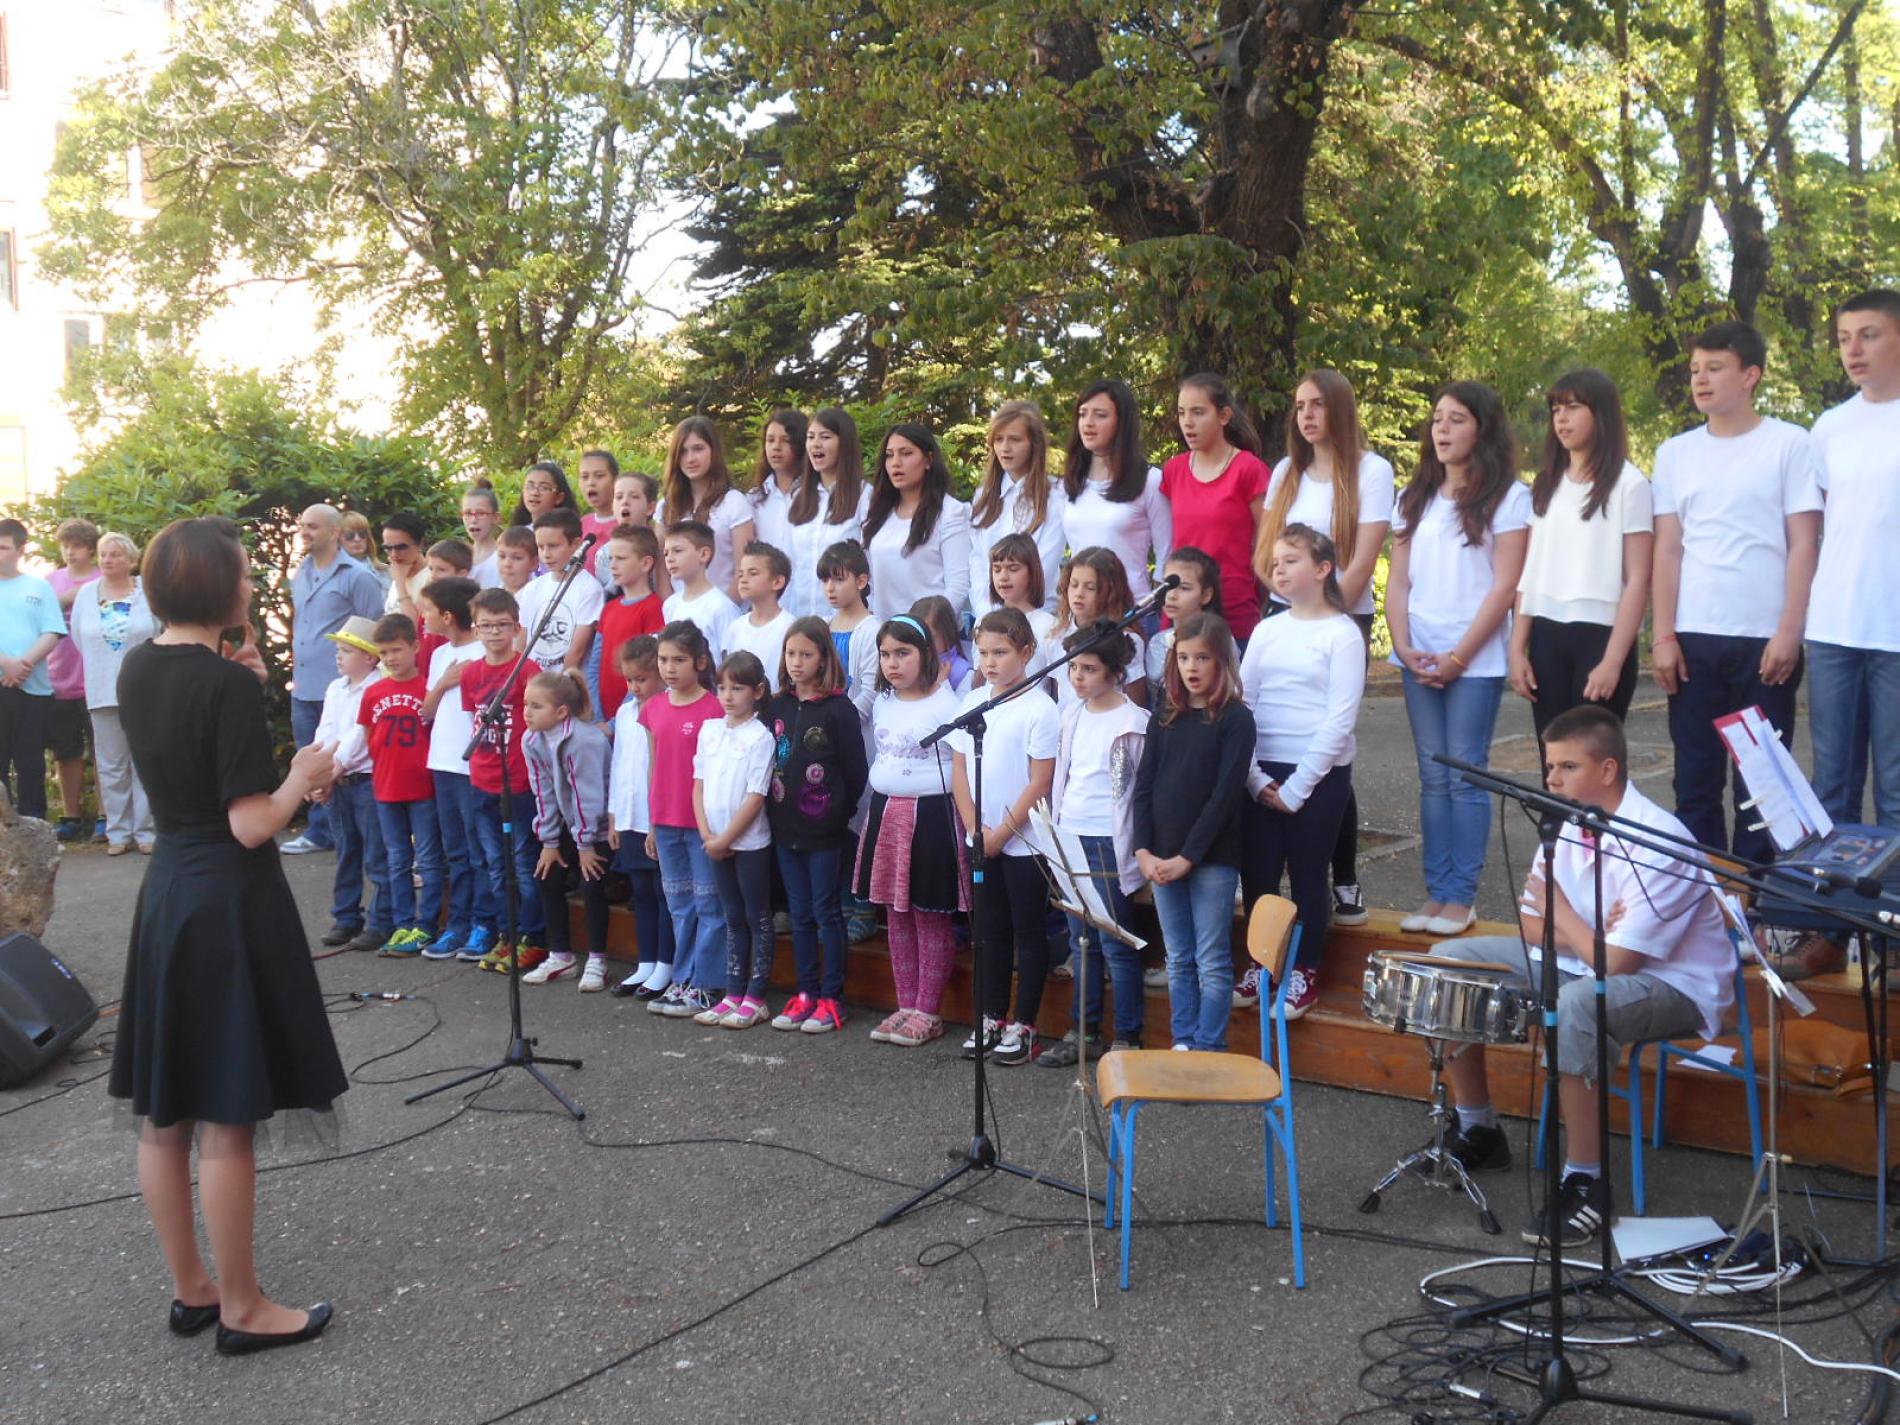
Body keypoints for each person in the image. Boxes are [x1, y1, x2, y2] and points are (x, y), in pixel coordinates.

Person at [109, 515, 343, 1356]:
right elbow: (252, 823)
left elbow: (186, 750)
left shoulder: (138, 664)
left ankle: (194, 1289)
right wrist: (302, 775)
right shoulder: (228, 687)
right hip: (226, 900)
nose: (251, 584)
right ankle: (244, 1307)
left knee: (166, 1112)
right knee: (226, 1111)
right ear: (214, 586)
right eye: (242, 574)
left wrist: (234, 676)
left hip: (170, 890)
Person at [1428, 706, 1735, 1248]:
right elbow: (1531, 923)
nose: (1551, 779)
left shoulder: (1659, 839)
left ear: (1608, 770)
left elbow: (1616, 965)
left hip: (1676, 983)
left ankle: (1586, 1181)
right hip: (1581, 961)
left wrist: (1565, 915)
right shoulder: (1567, 820)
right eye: (1550, 766)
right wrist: (1587, 933)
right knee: (1449, 963)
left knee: (1577, 1005)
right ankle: (1479, 1128)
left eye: (1567, 767)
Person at [1651, 321, 1823, 867]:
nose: (1700, 379)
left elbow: (1804, 543)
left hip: (1763, 642)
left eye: (1715, 368)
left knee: (1764, 786)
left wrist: (1790, 632)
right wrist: (1663, 636)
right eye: (1694, 370)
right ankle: (1705, 897)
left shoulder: (1790, 444)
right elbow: (1668, 550)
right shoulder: (1675, 453)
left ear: (1750, 376)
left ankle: (1756, 898)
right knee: (1694, 779)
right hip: (1693, 638)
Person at [1385, 383, 1531, 938]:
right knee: (1432, 776)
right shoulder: (1413, 496)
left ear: (1483, 428)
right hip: (1418, 656)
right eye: (1438, 419)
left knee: (1464, 776)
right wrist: (1402, 644)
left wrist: (1459, 656)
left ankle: (1461, 897)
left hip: (1475, 661)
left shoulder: (1510, 498)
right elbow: (1399, 582)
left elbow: (1505, 586)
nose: (1442, 429)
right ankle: (1437, 892)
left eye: (1457, 419)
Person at [1258, 369, 1396, 931]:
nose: (1307, 415)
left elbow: (1361, 561)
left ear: (1339, 409)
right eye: (1299, 406)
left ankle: (1343, 876)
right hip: (1283, 613)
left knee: (1332, 745)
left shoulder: (1372, 470)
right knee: (1279, 736)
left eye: (1317, 404)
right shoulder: (1286, 471)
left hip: (1342, 615)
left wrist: (1325, 612)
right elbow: (1266, 551)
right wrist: (1290, 600)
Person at [1238, 525, 1367, 1021]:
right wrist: (1254, 777)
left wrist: (1297, 788)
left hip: (1318, 774)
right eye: (1276, 562)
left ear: (1322, 568)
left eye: (1291, 560)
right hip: (1262, 769)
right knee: (1259, 874)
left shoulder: (1342, 634)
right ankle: (1261, 962)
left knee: (1309, 874)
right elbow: (1243, 703)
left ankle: (1304, 970)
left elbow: (1340, 719)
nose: (1279, 569)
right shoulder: (1267, 630)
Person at [1510, 368, 1654, 740]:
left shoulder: (1630, 484)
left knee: (1592, 756)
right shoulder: (1547, 483)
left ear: (1601, 413)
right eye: (1556, 409)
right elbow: (1530, 571)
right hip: (1546, 632)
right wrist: (1517, 649)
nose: (1561, 418)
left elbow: (1638, 579)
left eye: (1573, 407)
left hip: (1602, 633)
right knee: (1554, 756)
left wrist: (1613, 661)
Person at [1132, 611, 1252, 1052]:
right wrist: (1143, 851)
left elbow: (1224, 799)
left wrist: (1189, 858)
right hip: (1163, 858)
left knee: (1212, 959)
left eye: (1202, 658)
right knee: (1178, 957)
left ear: (1221, 661)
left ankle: (1209, 1046)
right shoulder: (1165, 715)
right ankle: (1183, 1040)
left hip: (1211, 860)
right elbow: (1144, 786)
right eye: (1184, 658)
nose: (1192, 667)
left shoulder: (1235, 720)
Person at [1807, 290, 1900, 840]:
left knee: (1896, 789)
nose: (1853, 350)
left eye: (1868, 335)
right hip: (1833, 628)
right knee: (1831, 788)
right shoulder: (1829, 427)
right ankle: (1831, 899)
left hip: (1895, 633)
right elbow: (1823, 524)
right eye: (1844, 339)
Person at [950, 608, 1059, 1066]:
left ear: (1027, 652)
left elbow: (1040, 781)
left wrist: (1001, 834)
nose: (990, 662)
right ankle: (991, 1015)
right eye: (983, 653)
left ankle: (1025, 1023)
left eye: (1001, 652)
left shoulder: (1041, 709)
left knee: (1027, 930)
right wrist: (974, 827)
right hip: (981, 837)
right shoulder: (973, 702)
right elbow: (960, 769)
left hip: (1023, 841)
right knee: (989, 930)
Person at [1042, 622, 1149, 1064]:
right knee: (1080, 941)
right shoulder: (1072, 715)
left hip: (1108, 840)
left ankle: (1127, 1036)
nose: (1078, 677)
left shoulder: (1133, 723)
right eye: (1073, 668)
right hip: (1070, 834)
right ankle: (1083, 1032)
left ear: (1115, 671)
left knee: (1115, 942)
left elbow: (1138, 794)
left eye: (1089, 669)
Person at [858, 615, 967, 1048]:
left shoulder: (947, 705)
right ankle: (905, 1005)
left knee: (928, 913)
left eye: (903, 653)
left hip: (931, 816)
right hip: (886, 812)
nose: (892, 663)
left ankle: (928, 1011)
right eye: (885, 654)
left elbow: (961, 769)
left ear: (925, 655)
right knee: (896, 912)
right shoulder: (883, 702)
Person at [767, 617, 868, 1034]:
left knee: (827, 912)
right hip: (784, 829)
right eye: (791, 653)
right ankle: (806, 991)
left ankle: (832, 997)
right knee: (800, 913)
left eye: (806, 654)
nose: (796, 662)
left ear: (824, 658)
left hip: (824, 833)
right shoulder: (777, 706)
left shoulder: (838, 709)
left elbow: (856, 771)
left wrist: (836, 814)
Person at [285, 503, 385, 854]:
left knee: (346, 757)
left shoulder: (357, 576)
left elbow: (374, 629)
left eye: (312, 526)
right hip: (305, 684)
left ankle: (349, 837)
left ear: (334, 532)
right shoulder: (302, 571)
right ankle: (321, 831)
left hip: (346, 688)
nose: (304, 532)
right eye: (303, 525)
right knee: (311, 754)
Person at [460, 588, 549, 973]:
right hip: (482, 781)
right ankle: (506, 934)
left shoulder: (528, 671)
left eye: (502, 625)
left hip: (520, 783)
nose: (494, 632)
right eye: (486, 625)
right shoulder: (471, 673)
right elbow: (473, 719)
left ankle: (534, 936)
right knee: (496, 866)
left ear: (516, 628)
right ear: (475, 629)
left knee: (524, 864)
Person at [641, 620, 726, 1017]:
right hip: (666, 821)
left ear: (700, 662)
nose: (669, 668)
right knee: (679, 905)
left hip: (701, 823)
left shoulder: (714, 709)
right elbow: (653, 765)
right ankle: (683, 977)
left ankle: (708, 984)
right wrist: (651, 822)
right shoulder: (653, 708)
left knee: (709, 905)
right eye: (663, 660)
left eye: (679, 660)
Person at [693, 651, 778, 1028]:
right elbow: (698, 785)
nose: (727, 696)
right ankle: (733, 992)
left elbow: (755, 796)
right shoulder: (710, 730)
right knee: (732, 916)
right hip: (715, 841)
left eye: (737, 688)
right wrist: (708, 835)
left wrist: (726, 838)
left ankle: (756, 996)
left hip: (749, 844)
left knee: (756, 916)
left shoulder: (760, 737)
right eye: (722, 687)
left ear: (757, 691)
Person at [519, 669, 614, 992]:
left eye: (536, 706)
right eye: (525, 704)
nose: (527, 712)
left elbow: (588, 796)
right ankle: (561, 956)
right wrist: (549, 841)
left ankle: (598, 960)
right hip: (566, 823)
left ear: (561, 712)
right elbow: (543, 792)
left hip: (597, 826)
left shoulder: (584, 741)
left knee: (592, 883)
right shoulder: (532, 739)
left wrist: (585, 845)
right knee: (547, 875)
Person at [415, 576, 490, 962]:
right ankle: (458, 924)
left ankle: (483, 924)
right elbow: (426, 711)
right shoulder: (440, 654)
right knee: (456, 851)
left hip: (471, 765)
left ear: (447, 615)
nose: (423, 617)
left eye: (427, 610)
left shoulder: (482, 651)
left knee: (479, 851)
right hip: (442, 762)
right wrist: (444, 682)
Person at [1162, 373, 1270, 642]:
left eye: (1198, 412)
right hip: (1181, 612)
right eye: (1182, 413)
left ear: (1224, 416)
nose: (1187, 422)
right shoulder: (1174, 470)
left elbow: (1268, 546)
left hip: (1233, 610)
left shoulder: (1249, 470)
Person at [70, 531, 158, 854]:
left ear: (131, 560)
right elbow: (79, 637)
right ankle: (118, 833)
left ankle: (146, 832)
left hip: (144, 689)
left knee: (145, 760)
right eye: (104, 554)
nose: (107, 560)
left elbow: (160, 631)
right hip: (102, 688)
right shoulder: (86, 594)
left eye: (115, 554)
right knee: (110, 765)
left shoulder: (148, 591)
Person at [359, 614, 442, 957]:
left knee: (429, 859)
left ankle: (427, 924)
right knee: (397, 859)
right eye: (383, 652)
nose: (390, 658)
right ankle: (402, 923)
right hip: (386, 788)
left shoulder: (427, 689)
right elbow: (370, 737)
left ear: (415, 646)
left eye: (396, 650)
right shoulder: (373, 693)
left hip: (422, 788)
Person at [310, 617, 390, 955]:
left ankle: (381, 920)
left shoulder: (376, 687)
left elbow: (361, 734)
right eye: (339, 650)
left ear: (369, 658)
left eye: (346, 650)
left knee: (376, 852)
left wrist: (331, 769)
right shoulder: (336, 688)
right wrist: (319, 770)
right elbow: (325, 730)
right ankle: (346, 916)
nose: (338, 656)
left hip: (365, 778)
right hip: (338, 777)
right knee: (346, 850)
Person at [1063, 379, 1172, 612]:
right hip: (1080, 615)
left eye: (1100, 415)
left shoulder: (1150, 480)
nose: (1088, 423)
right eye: (1082, 414)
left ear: (1121, 422)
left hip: (1131, 613)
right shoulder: (1071, 483)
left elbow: (1167, 554)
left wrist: (1158, 610)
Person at [607, 636, 674, 996]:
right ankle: (646, 962)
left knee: (664, 893)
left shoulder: (666, 710)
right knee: (642, 891)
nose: (634, 687)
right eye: (629, 680)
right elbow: (619, 764)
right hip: (629, 816)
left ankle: (666, 964)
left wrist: (655, 823)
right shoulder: (624, 713)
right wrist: (614, 815)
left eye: (642, 679)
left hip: (657, 818)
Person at [862, 423, 973, 619]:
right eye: (889, 455)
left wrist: (927, 626)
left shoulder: (951, 512)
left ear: (928, 460)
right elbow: (869, 583)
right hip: (884, 631)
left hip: (932, 631)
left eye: (906, 453)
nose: (896, 463)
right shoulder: (878, 513)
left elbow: (959, 585)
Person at [968, 401, 1065, 617]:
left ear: (1034, 444)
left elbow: (1044, 563)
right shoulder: (984, 497)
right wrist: (986, 614)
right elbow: (978, 563)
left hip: (1035, 617)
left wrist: (1011, 616)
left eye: (1015, 439)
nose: (1005, 448)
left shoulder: (1056, 496)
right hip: (986, 620)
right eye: (999, 439)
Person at [0, 518, 68, 820]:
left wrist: (24, 664)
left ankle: (35, 826)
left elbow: (52, 630)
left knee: (31, 761)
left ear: (20, 550)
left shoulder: (39, 587)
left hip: (33, 689)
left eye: (4, 547)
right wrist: (6, 663)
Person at [46, 517, 102, 842]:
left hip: (95, 681)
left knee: (102, 753)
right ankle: (71, 817)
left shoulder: (101, 579)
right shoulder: (51, 581)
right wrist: (65, 599)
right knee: (66, 753)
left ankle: (106, 816)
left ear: (91, 549)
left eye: (77, 546)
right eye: (66, 546)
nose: (70, 552)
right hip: (58, 678)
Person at [785, 408, 870, 619]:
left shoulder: (863, 495)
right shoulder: (798, 496)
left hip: (845, 620)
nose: (816, 444)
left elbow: (870, 564)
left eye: (825, 437)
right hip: (800, 619)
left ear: (844, 443)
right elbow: (792, 566)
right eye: (810, 437)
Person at [660, 417, 755, 602]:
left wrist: (724, 611)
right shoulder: (666, 506)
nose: (690, 458)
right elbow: (661, 572)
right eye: (683, 451)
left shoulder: (733, 502)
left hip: (726, 610)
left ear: (713, 451)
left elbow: (743, 568)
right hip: (678, 613)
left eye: (698, 449)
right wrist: (673, 610)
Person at [1042, 547, 1146, 707]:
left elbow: (1136, 702)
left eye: (1090, 588)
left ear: (1110, 592)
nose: (1079, 594)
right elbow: (1058, 691)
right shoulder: (1057, 634)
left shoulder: (1127, 640)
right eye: (1074, 585)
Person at [518, 508, 604, 675]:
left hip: (563, 683)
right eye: (540, 547)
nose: (546, 554)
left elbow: (577, 651)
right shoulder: (532, 588)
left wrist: (558, 685)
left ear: (577, 544)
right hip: (531, 681)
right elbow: (522, 643)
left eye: (553, 546)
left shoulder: (589, 589)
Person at [595, 525, 665, 720]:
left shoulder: (654, 608)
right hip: (603, 714)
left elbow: (648, 668)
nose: (613, 565)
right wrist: (596, 714)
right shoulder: (609, 608)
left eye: (621, 558)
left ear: (645, 563)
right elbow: (595, 663)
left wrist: (615, 722)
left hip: (635, 714)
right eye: (611, 558)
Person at [660, 520, 741, 663]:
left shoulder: (721, 607)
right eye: (666, 553)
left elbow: (733, 661)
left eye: (677, 551)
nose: (670, 559)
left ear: (704, 554)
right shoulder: (670, 605)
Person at [1143, 547, 1222, 686]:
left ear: (1205, 595)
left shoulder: (1219, 641)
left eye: (1184, 588)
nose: (1172, 595)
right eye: (1167, 586)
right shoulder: (1158, 642)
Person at [727, 541, 796, 688]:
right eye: (740, 574)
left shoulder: (790, 627)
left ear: (777, 581)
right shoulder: (735, 627)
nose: (743, 580)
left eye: (753, 573)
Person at [748, 409, 810, 558]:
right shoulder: (755, 498)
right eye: (770, 440)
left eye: (786, 440)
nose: (776, 447)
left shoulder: (817, 494)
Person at [987, 531, 1058, 643]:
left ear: (1032, 573)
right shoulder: (986, 624)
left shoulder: (1050, 627)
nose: (1003, 577)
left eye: (1013, 569)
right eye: (997, 569)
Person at [379, 512, 432, 619]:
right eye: (388, 548)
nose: (394, 554)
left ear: (421, 544)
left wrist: (400, 585)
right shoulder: (398, 573)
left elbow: (415, 625)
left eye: (401, 547)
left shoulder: (432, 578)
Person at [462, 479, 504, 587]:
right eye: (468, 513)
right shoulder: (457, 557)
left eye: (480, 513)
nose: (473, 520)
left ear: (496, 517)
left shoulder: (504, 559)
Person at [512, 459, 575, 529]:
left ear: (559, 497)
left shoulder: (569, 531)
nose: (534, 493)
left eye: (543, 488)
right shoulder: (519, 532)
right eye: (530, 486)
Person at [340, 510, 390, 592]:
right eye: (349, 535)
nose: (357, 539)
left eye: (362, 534)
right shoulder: (331, 574)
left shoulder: (385, 570)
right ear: (337, 540)